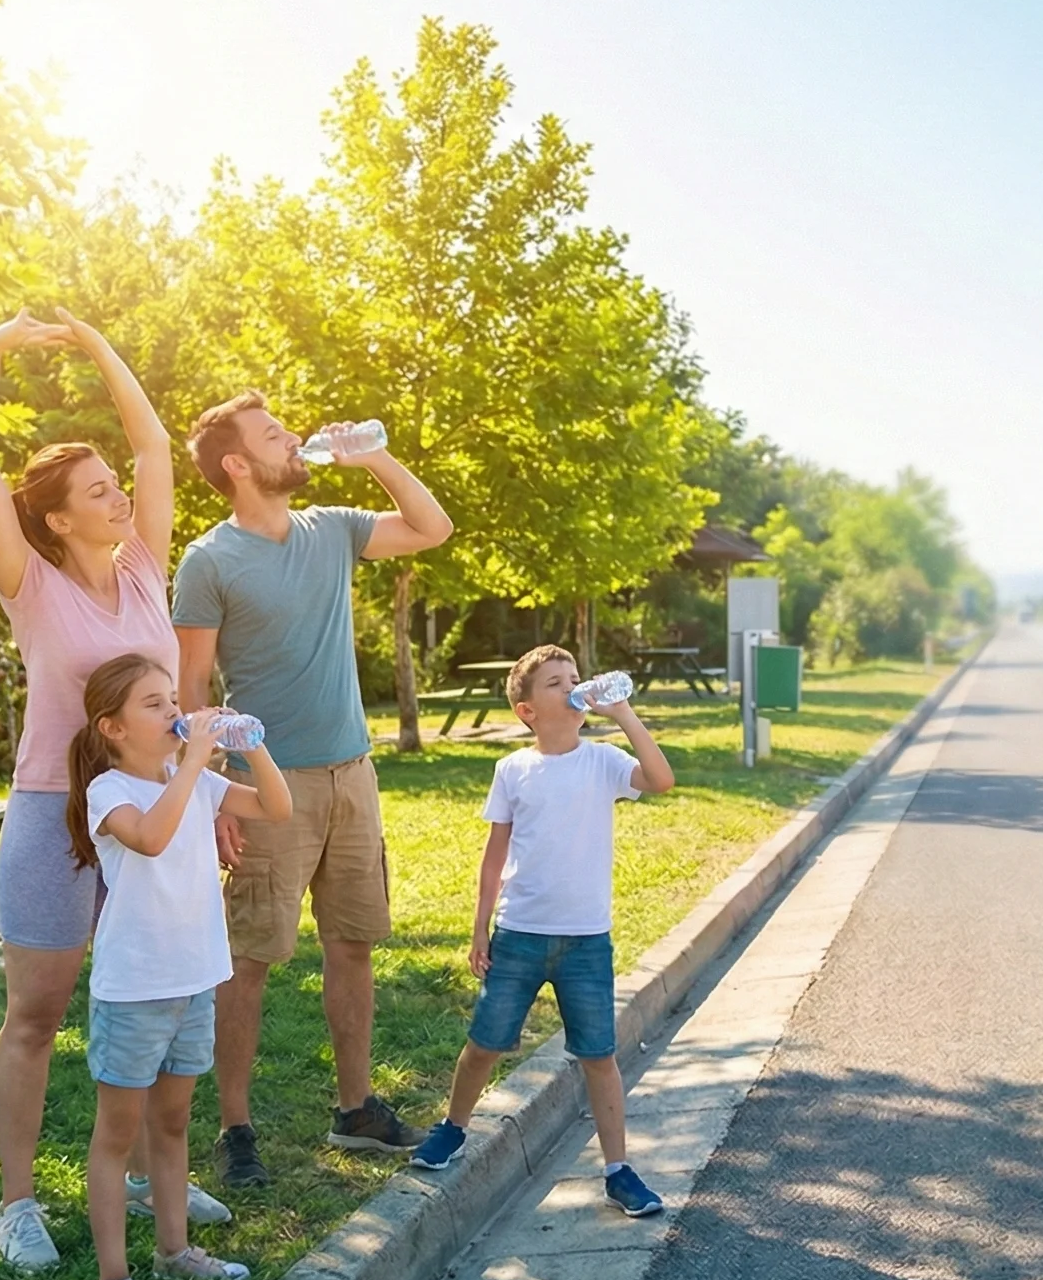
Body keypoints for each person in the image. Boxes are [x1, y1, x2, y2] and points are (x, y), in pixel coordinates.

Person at [0, 306, 226, 1273]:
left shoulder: (146, 567)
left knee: (159, 993)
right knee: (36, 1014)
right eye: (97, 491)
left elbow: (153, 444)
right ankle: (18, 1204)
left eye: (117, 487)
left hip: (153, 808)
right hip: (55, 814)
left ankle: (152, 1177)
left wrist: (96, 343)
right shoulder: (29, 584)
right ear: (58, 518)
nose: (119, 496)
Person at [172, 392, 453, 1184]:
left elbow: (432, 528)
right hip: (267, 785)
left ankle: (356, 1110)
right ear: (236, 464)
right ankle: (235, 1128)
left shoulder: (331, 528)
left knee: (353, 943)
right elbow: (191, 687)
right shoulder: (209, 560)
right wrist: (212, 794)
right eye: (274, 435)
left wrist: (373, 456)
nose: (293, 440)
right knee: (249, 957)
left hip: (352, 773)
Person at [66, 653, 292, 1280]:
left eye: (174, 699)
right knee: (117, 1136)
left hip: (195, 981)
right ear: (112, 728)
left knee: (171, 1123)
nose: (173, 711)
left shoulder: (191, 778)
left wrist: (251, 745)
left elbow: (277, 807)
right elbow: (152, 839)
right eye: (155, 704)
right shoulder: (110, 792)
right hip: (134, 991)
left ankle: (173, 1252)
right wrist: (193, 762)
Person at [411, 645, 676, 1217]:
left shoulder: (603, 761)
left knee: (599, 1055)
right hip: (520, 934)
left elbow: (660, 779)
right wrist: (479, 929)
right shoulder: (512, 769)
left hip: (586, 940)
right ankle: (453, 1128)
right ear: (527, 710)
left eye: (575, 678)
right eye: (557, 683)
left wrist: (623, 713)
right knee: (485, 1043)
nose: (573, 687)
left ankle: (618, 1170)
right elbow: (494, 857)